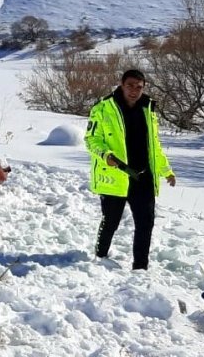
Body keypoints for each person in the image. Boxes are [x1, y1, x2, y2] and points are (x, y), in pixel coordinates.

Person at [84, 69, 176, 270]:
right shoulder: (103, 107)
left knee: (146, 224)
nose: (134, 91)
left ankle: (140, 268)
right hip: (116, 175)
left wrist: (165, 170)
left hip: (143, 177)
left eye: (139, 87)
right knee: (111, 222)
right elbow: (91, 139)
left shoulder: (148, 108)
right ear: (122, 84)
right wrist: (105, 154)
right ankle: (99, 257)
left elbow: (154, 145)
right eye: (130, 86)